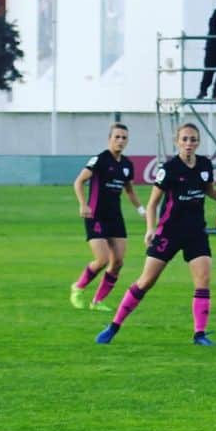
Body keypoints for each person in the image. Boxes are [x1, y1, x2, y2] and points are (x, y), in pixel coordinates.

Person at [96, 123, 216, 346]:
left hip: (195, 232)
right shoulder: (169, 168)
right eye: (184, 139)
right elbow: (153, 203)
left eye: (193, 139)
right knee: (146, 281)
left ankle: (199, 334)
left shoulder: (203, 164)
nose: (189, 143)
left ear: (198, 142)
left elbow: (210, 190)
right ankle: (114, 326)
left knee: (203, 279)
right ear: (177, 142)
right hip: (168, 232)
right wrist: (150, 229)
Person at [70, 123, 146, 311]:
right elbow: (79, 182)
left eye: (124, 138)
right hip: (95, 215)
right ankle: (78, 287)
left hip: (115, 217)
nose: (120, 141)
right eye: (117, 137)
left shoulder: (127, 165)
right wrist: (83, 204)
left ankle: (97, 301)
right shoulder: (100, 160)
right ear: (109, 139)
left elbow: (129, 191)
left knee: (118, 262)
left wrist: (142, 211)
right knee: (102, 259)